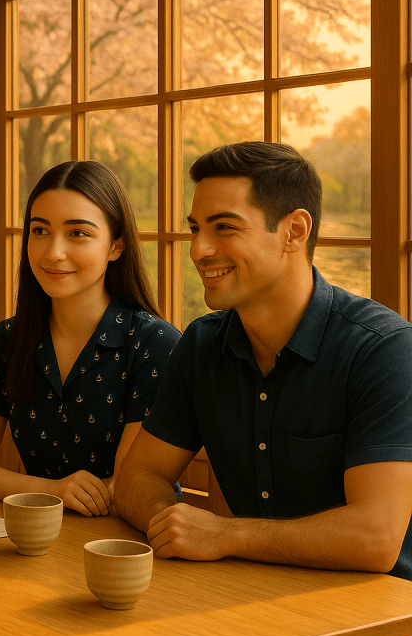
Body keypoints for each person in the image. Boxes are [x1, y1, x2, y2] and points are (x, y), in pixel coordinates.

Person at [114, 141, 412, 579]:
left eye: (225, 228)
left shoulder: (383, 349)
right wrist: (171, 521)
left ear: (294, 231)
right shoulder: (201, 345)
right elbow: (137, 475)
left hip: (380, 617)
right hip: (250, 598)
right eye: (195, 228)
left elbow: (375, 538)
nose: (198, 249)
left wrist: (226, 535)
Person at [0, 161, 181, 516]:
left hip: (130, 544)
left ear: (116, 246)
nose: (53, 252)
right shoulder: (9, 340)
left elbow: (130, 483)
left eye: (78, 234)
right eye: (40, 231)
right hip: (43, 535)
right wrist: (53, 490)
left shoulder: (154, 343)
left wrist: (52, 496)